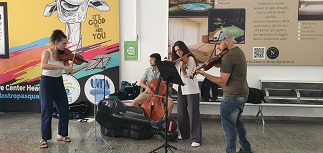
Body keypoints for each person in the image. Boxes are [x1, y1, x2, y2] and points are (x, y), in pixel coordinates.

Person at [194, 29, 252, 153]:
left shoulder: (229, 56)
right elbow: (225, 65)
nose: (218, 48)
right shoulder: (237, 52)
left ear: (227, 40)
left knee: (229, 127)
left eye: (219, 44)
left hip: (232, 96)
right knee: (237, 123)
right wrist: (212, 62)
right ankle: (246, 149)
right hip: (242, 94)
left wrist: (204, 73)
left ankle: (230, 151)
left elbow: (222, 81)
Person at [39, 29, 88, 149]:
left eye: (66, 43)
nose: (66, 46)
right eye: (64, 43)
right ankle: (44, 138)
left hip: (58, 82)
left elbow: (69, 71)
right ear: (56, 42)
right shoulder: (47, 52)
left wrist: (85, 66)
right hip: (47, 83)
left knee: (64, 108)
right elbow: (43, 65)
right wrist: (60, 66)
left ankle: (62, 134)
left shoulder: (64, 55)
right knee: (47, 111)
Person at [171, 41, 202, 148]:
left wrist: (184, 69)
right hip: (181, 88)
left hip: (191, 88)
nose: (178, 52)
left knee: (193, 113)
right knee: (181, 112)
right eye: (176, 51)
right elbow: (176, 75)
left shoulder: (190, 59)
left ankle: (196, 138)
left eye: (180, 49)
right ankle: (185, 134)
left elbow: (189, 75)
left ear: (184, 48)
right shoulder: (178, 61)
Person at [131, 53, 174, 118]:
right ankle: (137, 120)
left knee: (170, 103)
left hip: (161, 94)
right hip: (149, 92)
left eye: (152, 59)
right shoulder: (148, 70)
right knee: (134, 102)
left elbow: (171, 85)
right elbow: (141, 82)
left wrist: (166, 82)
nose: (150, 61)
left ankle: (163, 121)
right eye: (150, 59)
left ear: (157, 61)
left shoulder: (164, 70)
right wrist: (147, 87)